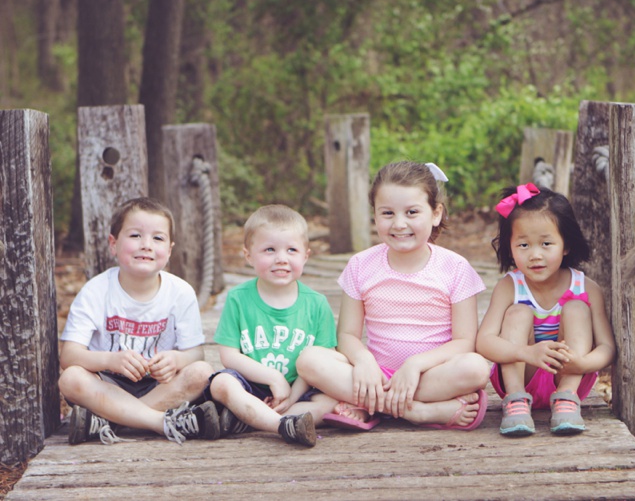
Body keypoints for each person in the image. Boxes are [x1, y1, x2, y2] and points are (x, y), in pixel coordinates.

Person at [297, 161, 490, 431]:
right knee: (309, 359)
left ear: (435, 214)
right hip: (374, 376)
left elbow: (464, 342)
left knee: (476, 368)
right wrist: (364, 361)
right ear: (375, 215)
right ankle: (419, 411)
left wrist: (415, 364)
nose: (399, 224)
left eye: (412, 212)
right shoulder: (361, 265)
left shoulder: (455, 268)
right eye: (387, 213)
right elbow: (348, 335)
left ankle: (370, 405)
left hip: (428, 376)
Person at [59, 197, 219, 445]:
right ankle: (161, 422)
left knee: (202, 373)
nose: (146, 245)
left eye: (158, 238)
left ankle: (111, 422)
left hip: (158, 385)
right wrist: (110, 360)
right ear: (113, 244)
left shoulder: (181, 292)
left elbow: (196, 353)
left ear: (169, 250)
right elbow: (69, 356)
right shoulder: (96, 291)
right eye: (135, 235)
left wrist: (176, 359)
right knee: (71, 379)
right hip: (106, 384)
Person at [476, 183, 615, 436]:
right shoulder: (510, 286)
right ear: (510, 247)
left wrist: (582, 363)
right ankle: (516, 401)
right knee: (518, 312)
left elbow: (607, 347)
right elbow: (483, 341)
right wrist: (526, 353)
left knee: (576, 308)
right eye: (524, 245)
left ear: (566, 245)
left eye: (546, 243)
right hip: (520, 376)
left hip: (569, 375)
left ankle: (566, 398)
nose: (535, 255)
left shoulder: (586, 287)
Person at [205, 205, 338, 447]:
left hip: (299, 390)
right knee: (220, 384)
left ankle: (250, 419)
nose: (281, 259)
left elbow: (323, 362)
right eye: (269, 250)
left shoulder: (317, 304)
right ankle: (281, 424)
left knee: (331, 401)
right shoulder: (238, 298)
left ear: (305, 256)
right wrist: (273, 378)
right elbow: (229, 356)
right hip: (250, 385)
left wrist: (291, 397)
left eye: (292, 250)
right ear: (248, 256)